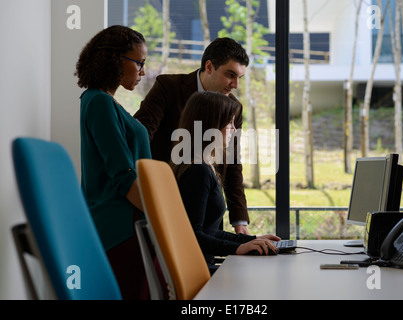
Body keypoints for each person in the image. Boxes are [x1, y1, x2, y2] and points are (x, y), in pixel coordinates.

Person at [134, 37, 251, 235]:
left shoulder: (234, 107)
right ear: (209, 66)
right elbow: (142, 135)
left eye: (240, 77)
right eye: (230, 75)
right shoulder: (168, 88)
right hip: (163, 201)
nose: (235, 85)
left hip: (207, 212)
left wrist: (240, 223)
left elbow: (232, 164)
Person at [75, 25, 151, 299]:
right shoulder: (98, 102)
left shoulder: (105, 102)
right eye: (139, 63)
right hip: (121, 228)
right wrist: (160, 218)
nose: (142, 71)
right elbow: (124, 174)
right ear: (117, 60)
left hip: (128, 224)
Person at [171, 91, 280, 273]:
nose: (233, 129)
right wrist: (237, 248)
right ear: (211, 126)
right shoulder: (198, 171)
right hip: (197, 272)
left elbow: (208, 231)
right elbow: (192, 235)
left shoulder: (204, 166)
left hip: (202, 267)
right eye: (229, 123)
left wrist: (250, 240)